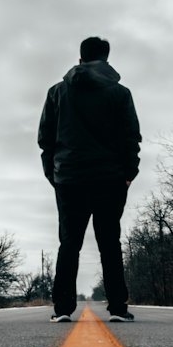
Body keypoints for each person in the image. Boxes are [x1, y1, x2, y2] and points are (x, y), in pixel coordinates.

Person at [38, 37, 141, 322]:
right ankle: (118, 308)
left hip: (70, 178)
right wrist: (128, 174)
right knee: (110, 242)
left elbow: (45, 140)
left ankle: (62, 310)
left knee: (69, 243)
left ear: (80, 58)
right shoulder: (120, 94)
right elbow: (131, 136)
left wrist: (54, 174)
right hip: (110, 178)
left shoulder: (57, 92)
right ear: (106, 60)